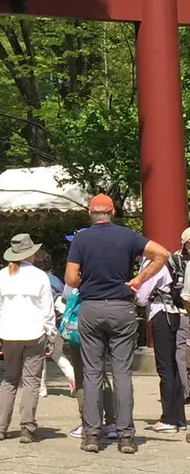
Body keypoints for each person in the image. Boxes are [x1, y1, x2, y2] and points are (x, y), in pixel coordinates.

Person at [65, 193, 169, 455]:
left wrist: (87, 281)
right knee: (122, 373)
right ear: (112, 212)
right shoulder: (128, 236)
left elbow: (70, 278)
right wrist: (138, 279)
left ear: (91, 213)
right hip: (121, 307)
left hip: (91, 308)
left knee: (92, 373)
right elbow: (162, 253)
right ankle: (126, 436)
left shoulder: (81, 238)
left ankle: (91, 434)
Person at [0, 233, 56, 444]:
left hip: (8, 333)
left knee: (9, 379)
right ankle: (27, 426)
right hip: (34, 332)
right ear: (31, 254)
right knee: (31, 381)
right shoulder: (40, 276)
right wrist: (51, 334)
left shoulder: (2, 275)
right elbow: (48, 309)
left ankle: (0, 426)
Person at [64, 229, 117, 441]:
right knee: (102, 374)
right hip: (105, 323)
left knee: (82, 375)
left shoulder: (77, 272)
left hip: (80, 328)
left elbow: (67, 292)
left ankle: (87, 422)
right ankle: (112, 422)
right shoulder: (109, 267)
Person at [135, 256, 186, 432]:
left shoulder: (151, 264)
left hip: (161, 315)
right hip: (176, 314)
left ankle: (168, 418)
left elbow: (141, 297)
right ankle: (178, 416)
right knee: (175, 367)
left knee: (164, 367)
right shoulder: (168, 261)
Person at [33, 248, 75, 397]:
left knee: (39, 355)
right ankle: (73, 379)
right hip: (61, 321)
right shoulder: (57, 280)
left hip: (44, 323)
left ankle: (41, 388)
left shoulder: (38, 280)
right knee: (57, 354)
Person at [170, 226, 190, 402]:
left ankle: (185, 391)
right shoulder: (176, 260)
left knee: (181, 353)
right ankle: (185, 390)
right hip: (183, 312)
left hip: (184, 311)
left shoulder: (177, 260)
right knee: (182, 354)